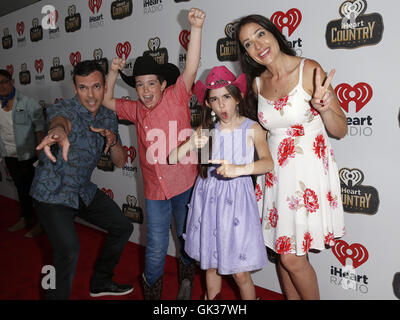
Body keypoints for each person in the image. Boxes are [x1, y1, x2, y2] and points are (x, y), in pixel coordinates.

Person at [236, 14, 348, 300]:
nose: (257, 45)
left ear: (274, 33)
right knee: (283, 252)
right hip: (274, 179)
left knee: (291, 259)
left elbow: (341, 129)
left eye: (260, 34)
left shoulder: (308, 70)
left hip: (306, 177)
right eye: (248, 43)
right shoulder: (258, 83)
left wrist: (324, 108)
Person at [101, 8, 205, 300]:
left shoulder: (176, 96)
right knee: (157, 243)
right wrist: (112, 72)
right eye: (138, 84)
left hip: (184, 184)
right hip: (155, 190)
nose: (145, 90)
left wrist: (195, 28)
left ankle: (186, 279)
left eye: (151, 83)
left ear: (163, 85)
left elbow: (192, 66)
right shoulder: (134, 109)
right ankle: (153, 296)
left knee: (186, 238)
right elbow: (108, 99)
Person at [30, 60, 134, 300]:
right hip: (52, 192)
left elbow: (119, 161)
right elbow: (59, 124)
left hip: (81, 189)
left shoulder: (108, 115)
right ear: (75, 88)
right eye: (83, 88)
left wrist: (113, 140)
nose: (90, 95)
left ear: (104, 86)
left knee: (122, 226)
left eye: (96, 86)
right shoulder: (63, 108)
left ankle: (100, 282)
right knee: (67, 249)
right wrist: (58, 133)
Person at [169, 66, 274, 300]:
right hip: (209, 201)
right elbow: (171, 158)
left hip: (237, 204)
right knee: (211, 265)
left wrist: (239, 169)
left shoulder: (252, 128)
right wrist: (189, 144)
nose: (221, 105)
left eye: (226, 96)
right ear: (208, 104)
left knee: (240, 273)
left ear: (237, 97)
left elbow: (268, 163)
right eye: (214, 99)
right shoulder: (207, 130)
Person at [0, 69, 44, 238]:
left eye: (4, 81)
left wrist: (40, 155)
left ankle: (42, 223)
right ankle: (26, 218)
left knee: (37, 192)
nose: (2, 86)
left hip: (29, 156)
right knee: (21, 189)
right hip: (9, 155)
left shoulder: (28, 102)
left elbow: (39, 128)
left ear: (12, 82)